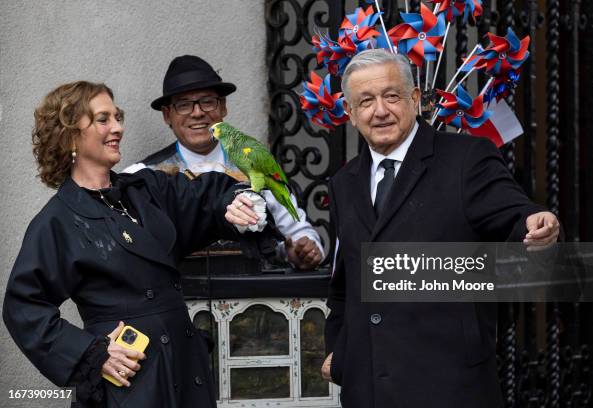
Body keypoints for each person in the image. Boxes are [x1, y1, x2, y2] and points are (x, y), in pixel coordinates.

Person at [320, 49, 561, 407]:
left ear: (415, 99)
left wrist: (535, 222)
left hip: (447, 386)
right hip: (368, 389)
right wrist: (338, 353)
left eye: (391, 96)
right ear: (351, 114)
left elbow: (513, 213)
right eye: (366, 101)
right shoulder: (343, 183)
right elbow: (343, 286)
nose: (380, 110)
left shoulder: (465, 159)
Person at [3, 81, 262, 408]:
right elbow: (22, 306)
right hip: (134, 382)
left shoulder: (146, 190)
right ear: (70, 135)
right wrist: (92, 353)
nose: (118, 127)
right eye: (103, 119)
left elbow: (206, 195)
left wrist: (236, 202)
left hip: (185, 365)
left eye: (117, 116)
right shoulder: (58, 220)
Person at [122, 55, 323, 269]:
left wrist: (299, 250)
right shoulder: (143, 176)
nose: (197, 113)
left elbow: (297, 233)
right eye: (184, 105)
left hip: (251, 296)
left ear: (223, 107)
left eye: (207, 101)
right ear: (167, 115)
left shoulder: (256, 166)